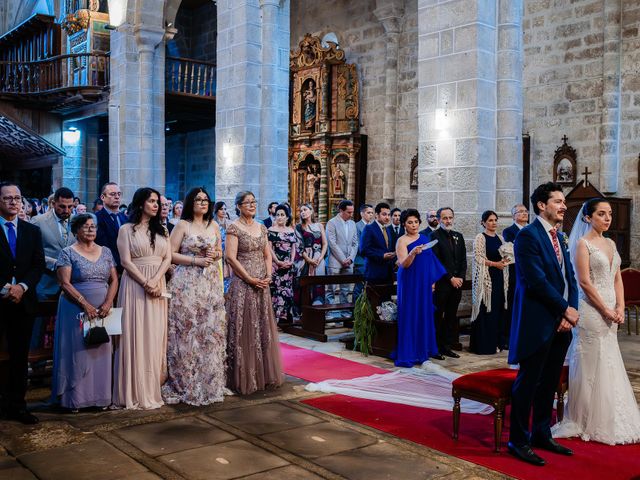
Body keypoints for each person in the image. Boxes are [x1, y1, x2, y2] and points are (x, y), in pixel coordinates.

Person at [552, 198, 640, 445]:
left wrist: (620, 307)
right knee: (589, 363)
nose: (607, 218)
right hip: (591, 311)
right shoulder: (582, 244)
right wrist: (605, 309)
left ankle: (608, 414)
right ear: (588, 217)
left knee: (609, 359)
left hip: (611, 310)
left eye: (609, 213)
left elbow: (617, 278)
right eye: (601, 214)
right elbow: (584, 283)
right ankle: (582, 417)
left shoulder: (611, 243)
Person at [508, 182, 579, 466]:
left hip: (560, 321)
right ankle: (518, 439)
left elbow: (569, 277)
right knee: (529, 383)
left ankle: (540, 432)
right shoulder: (528, 236)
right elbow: (535, 281)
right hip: (537, 321)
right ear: (542, 205)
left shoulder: (559, 237)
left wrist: (569, 309)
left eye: (563, 202)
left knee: (549, 382)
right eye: (559, 201)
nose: (563, 206)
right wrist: (564, 309)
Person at [162, 187, 226, 406]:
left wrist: (215, 254)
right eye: (198, 199)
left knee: (208, 331)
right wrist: (194, 261)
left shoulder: (214, 225)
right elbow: (170, 253)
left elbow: (219, 250)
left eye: (206, 199)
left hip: (209, 282)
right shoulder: (182, 225)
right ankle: (185, 381)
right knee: (187, 331)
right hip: (186, 281)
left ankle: (208, 381)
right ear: (191, 203)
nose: (203, 203)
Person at [113, 188, 172, 410]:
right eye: (151, 201)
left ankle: (152, 386)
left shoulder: (162, 230)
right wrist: (145, 282)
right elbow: (125, 262)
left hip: (157, 284)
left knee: (155, 335)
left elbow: (167, 258)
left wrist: (156, 279)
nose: (156, 205)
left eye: (158, 202)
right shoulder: (126, 229)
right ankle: (134, 392)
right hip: (135, 286)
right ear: (140, 203)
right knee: (135, 334)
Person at [52, 214, 118, 410]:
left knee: (101, 349)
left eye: (93, 226)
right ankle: (76, 400)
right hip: (75, 308)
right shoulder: (67, 252)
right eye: (86, 227)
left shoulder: (106, 251)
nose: (91, 229)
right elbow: (65, 283)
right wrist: (85, 304)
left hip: (103, 309)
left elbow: (114, 279)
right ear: (76, 230)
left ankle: (101, 398)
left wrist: (108, 302)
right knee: (79, 352)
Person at [225, 191, 284, 395]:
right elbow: (231, 258)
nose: (251, 205)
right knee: (245, 327)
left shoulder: (261, 227)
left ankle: (264, 373)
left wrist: (268, 275)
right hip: (243, 284)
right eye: (247, 202)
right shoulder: (234, 227)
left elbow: (267, 254)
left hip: (262, 283)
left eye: (253, 202)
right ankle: (242, 375)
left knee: (261, 326)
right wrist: (249, 279)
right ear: (238, 206)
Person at [0, 182, 45, 424]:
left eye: (17, 198)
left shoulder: (31, 231)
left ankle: (18, 406)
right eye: (7, 198)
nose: (13, 202)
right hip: (1, 299)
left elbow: (38, 265)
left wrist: (22, 287)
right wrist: (5, 287)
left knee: (19, 357)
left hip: (24, 301)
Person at [393, 209, 446, 367]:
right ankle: (409, 352)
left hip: (424, 283)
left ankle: (423, 351)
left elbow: (430, 262)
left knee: (423, 314)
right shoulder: (401, 241)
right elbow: (404, 264)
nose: (414, 225)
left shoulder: (424, 238)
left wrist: (432, 282)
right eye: (410, 222)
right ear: (404, 224)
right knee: (410, 315)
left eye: (416, 222)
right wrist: (413, 253)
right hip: (409, 282)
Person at [469, 210, 509, 354]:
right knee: (487, 310)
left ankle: (496, 343)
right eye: (490, 220)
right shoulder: (481, 237)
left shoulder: (500, 238)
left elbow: (505, 254)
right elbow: (478, 258)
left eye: (495, 220)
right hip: (486, 279)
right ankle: (484, 346)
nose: (494, 223)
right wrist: (494, 264)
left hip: (499, 278)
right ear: (483, 222)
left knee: (497, 311)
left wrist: (505, 260)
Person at [429, 207, 466, 359]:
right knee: (438, 316)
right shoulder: (434, 236)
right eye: (445, 218)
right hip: (443, 283)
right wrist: (450, 278)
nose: (448, 220)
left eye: (450, 217)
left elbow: (463, 260)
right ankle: (435, 347)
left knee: (451, 316)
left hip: (457, 284)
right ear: (438, 219)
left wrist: (461, 277)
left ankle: (446, 346)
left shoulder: (458, 236)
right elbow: (436, 261)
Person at [31, 187, 76, 300]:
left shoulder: (77, 221)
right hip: (46, 284)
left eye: (70, 206)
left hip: (73, 286)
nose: (66, 210)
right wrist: (56, 263)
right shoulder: (38, 221)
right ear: (53, 203)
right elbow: (31, 253)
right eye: (62, 206)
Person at [502, 204, 529, 349]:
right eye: (520, 212)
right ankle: (509, 337)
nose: (524, 214)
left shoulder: (531, 229)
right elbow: (512, 248)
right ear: (513, 216)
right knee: (512, 304)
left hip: (529, 272)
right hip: (514, 273)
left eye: (526, 211)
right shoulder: (509, 231)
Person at [267, 204, 297, 325]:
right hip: (275, 266)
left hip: (288, 267)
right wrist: (278, 262)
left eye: (282, 215)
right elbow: (269, 248)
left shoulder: (291, 230)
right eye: (278, 215)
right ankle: (273, 319)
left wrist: (291, 261)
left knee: (287, 291)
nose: (280, 217)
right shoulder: (270, 230)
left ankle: (284, 318)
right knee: (275, 291)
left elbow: (294, 248)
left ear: (287, 217)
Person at [325, 200, 358, 306]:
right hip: (335, 260)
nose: (351, 215)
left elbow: (355, 243)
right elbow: (332, 243)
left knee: (346, 289)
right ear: (341, 210)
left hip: (349, 261)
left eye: (352, 212)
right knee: (331, 289)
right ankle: (329, 313)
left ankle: (345, 311)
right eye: (349, 212)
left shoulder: (352, 224)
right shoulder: (332, 222)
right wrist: (343, 259)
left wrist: (351, 258)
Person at [294, 203, 327, 306]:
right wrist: (309, 260)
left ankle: (318, 307)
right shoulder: (299, 227)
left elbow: (325, 243)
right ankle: (305, 309)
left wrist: (320, 258)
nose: (303, 212)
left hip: (318, 258)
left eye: (305, 210)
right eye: (301, 211)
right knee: (305, 285)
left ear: (311, 211)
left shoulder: (319, 225)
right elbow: (299, 246)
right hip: (305, 260)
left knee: (319, 282)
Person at [360, 202, 395, 284]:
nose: (387, 217)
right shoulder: (369, 229)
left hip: (387, 272)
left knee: (387, 297)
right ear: (376, 215)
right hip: (374, 272)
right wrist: (382, 256)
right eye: (384, 214)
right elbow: (364, 250)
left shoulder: (387, 229)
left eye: (389, 215)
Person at [95, 182, 127, 271]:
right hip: (107, 268)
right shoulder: (97, 218)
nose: (117, 197)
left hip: (127, 268)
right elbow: (103, 246)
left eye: (119, 194)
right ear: (102, 197)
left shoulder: (126, 219)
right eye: (112, 194)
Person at [353, 203, 374, 300]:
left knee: (369, 287)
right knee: (359, 287)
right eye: (368, 212)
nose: (371, 215)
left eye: (372, 213)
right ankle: (355, 309)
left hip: (371, 261)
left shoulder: (373, 227)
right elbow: (357, 244)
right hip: (360, 260)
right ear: (362, 214)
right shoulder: (357, 226)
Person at [214, 201, 231, 292]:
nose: (224, 211)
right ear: (216, 210)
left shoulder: (229, 224)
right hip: (218, 253)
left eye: (225, 209)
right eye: (221, 209)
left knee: (228, 278)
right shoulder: (213, 224)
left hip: (228, 253)